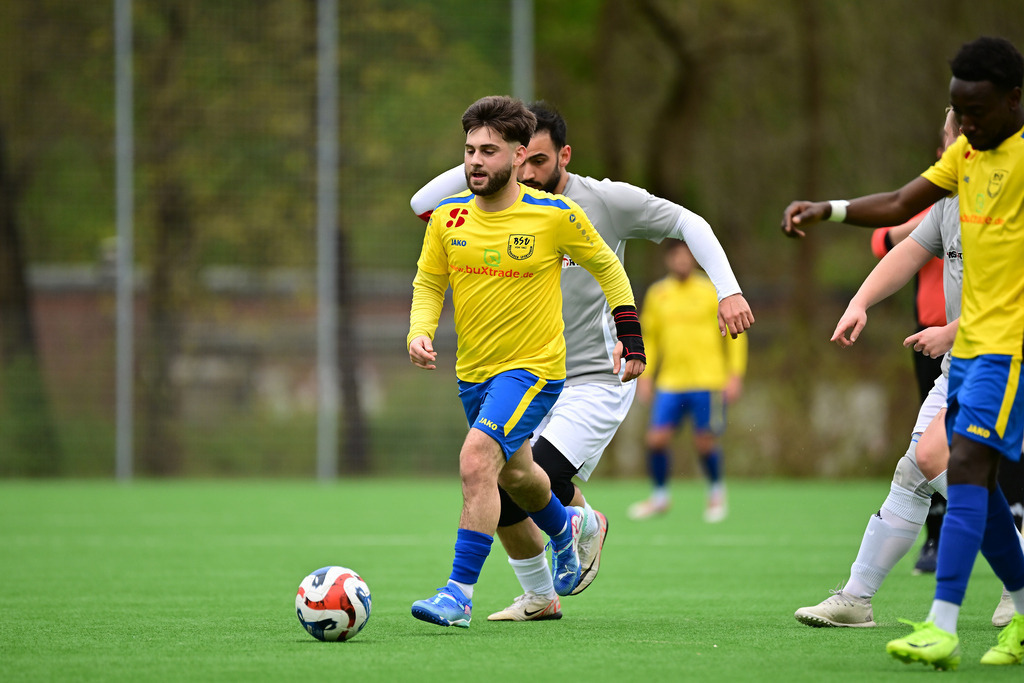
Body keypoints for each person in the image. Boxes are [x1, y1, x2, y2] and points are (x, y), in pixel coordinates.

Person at [411, 101, 754, 621]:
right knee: (509, 481)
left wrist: (726, 291)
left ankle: (495, 573)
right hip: (506, 371)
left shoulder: (600, 202)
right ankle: (542, 593)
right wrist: (488, 151)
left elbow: (690, 222)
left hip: (593, 378)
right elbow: (421, 204)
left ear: (563, 155)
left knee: (494, 467)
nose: (528, 173)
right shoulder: (488, 201)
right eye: (519, 162)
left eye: (538, 162)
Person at [782, 36, 1024, 670]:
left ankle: (955, 617)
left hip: (1008, 353)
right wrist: (831, 216)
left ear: (1013, 101)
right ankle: (860, 598)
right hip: (970, 355)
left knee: (955, 462)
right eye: (956, 119)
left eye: (973, 116)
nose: (962, 133)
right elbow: (899, 217)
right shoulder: (961, 175)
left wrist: (958, 326)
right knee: (925, 468)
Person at [407, 95, 647, 629]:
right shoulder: (447, 219)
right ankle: (568, 531)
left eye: (489, 151)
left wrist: (630, 336)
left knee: (476, 462)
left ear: (519, 156)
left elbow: (610, 270)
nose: (475, 161)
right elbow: (429, 283)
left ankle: (458, 594)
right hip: (474, 375)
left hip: (534, 370)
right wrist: (420, 330)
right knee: (517, 473)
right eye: (469, 150)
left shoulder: (555, 216)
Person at [627, 240, 747, 523]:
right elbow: (651, 338)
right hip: (670, 382)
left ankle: (716, 493)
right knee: (656, 440)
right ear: (669, 260)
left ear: (693, 259)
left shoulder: (711, 290)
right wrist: (645, 376)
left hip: (708, 381)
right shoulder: (659, 294)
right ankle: (659, 498)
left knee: (704, 442)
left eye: (686, 256)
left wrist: (735, 374)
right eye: (676, 257)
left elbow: (736, 333)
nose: (681, 261)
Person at [872, 198, 947, 576]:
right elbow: (884, 240)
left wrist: (952, 332)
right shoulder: (942, 207)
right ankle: (856, 595)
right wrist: (859, 302)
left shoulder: (999, 208)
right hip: (939, 346)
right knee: (919, 461)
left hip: (992, 350)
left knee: (981, 459)